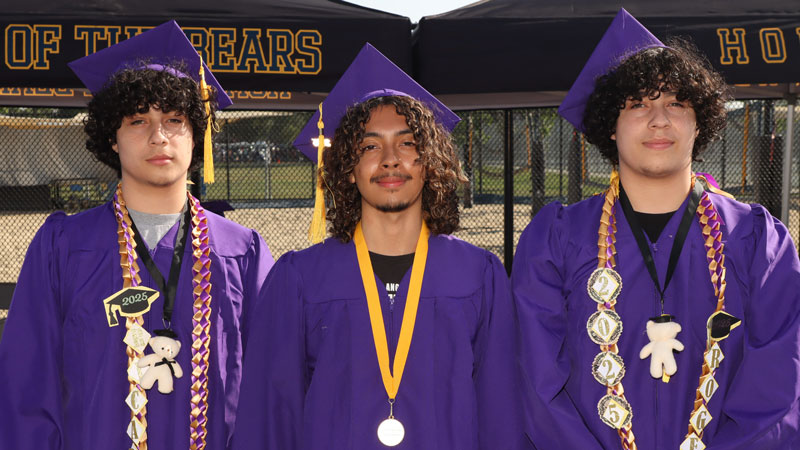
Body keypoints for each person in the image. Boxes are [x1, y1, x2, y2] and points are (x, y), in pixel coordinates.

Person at [513, 8, 800, 450]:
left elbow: (778, 390)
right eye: (638, 104)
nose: (659, 119)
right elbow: (536, 384)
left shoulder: (758, 242)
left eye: (676, 104)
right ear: (611, 124)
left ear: (699, 120)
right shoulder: (556, 241)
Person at [231, 43, 523, 450]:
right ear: (348, 170)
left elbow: (501, 414)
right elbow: (269, 416)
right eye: (369, 146)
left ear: (430, 162)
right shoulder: (300, 279)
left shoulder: (478, 275)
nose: (389, 159)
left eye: (407, 144)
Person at [0, 21, 274, 450]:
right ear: (112, 136)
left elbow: (271, 392)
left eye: (175, 119)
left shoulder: (243, 254)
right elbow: (27, 389)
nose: (158, 136)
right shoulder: (63, 248)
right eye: (137, 120)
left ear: (196, 132)